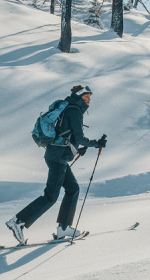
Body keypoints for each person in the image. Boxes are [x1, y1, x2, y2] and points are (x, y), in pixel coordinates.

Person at [6, 85, 106, 244]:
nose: (89, 100)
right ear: (79, 97)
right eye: (86, 97)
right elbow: (79, 137)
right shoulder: (74, 111)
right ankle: (18, 221)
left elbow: (64, 134)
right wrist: (96, 143)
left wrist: (77, 150)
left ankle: (64, 228)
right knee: (51, 196)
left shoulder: (69, 108)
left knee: (73, 188)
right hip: (58, 157)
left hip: (57, 155)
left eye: (90, 97)